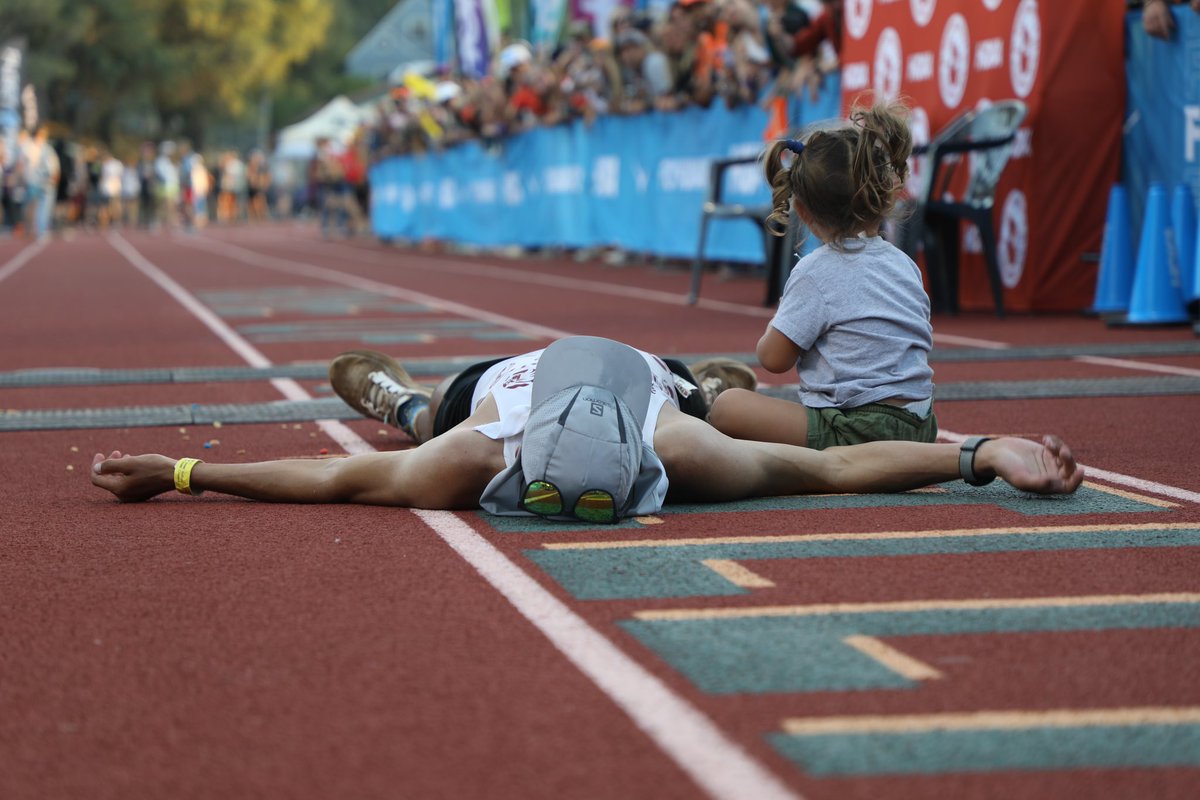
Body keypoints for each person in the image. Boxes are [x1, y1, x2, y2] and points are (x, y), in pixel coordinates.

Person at [91, 337, 1083, 521]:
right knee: (422, 424)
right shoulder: (479, 451)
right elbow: (328, 481)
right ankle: (391, 393)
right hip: (502, 385)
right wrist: (180, 471)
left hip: (660, 383)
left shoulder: (682, 447)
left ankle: (717, 373)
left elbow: (837, 464)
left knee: (721, 396)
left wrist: (981, 450)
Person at [706, 100, 937, 451]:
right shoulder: (904, 263)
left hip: (858, 430)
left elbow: (773, 360)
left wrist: (782, 320)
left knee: (728, 407)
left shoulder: (816, 271)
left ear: (803, 212)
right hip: (921, 426)